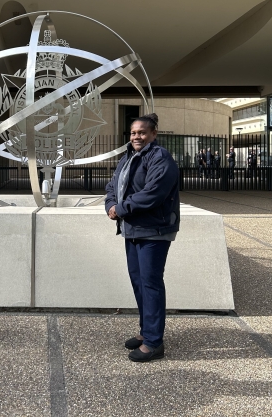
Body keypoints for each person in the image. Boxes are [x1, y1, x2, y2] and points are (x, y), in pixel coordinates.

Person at [105, 113, 180, 362]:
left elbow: (153, 193)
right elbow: (113, 186)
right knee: (139, 283)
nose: (137, 136)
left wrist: (121, 209)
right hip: (132, 230)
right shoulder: (128, 157)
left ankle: (154, 342)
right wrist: (110, 205)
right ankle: (146, 331)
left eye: (142, 132)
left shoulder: (160, 158)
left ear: (153, 134)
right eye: (133, 132)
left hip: (154, 232)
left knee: (150, 284)